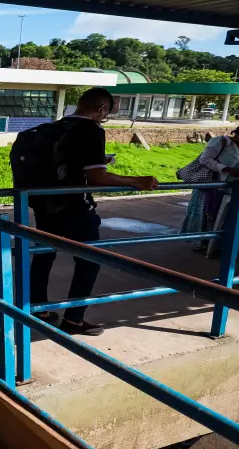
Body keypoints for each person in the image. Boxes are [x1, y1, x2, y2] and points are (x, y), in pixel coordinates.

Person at [28, 87, 159, 336]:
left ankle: (39, 310)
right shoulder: (91, 129)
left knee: (43, 256)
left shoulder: (54, 127)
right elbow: (97, 177)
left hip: (45, 205)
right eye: (106, 113)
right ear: (101, 108)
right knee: (89, 261)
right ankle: (74, 320)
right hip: (75, 207)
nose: (104, 117)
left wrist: (99, 160)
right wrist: (136, 181)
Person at [179, 122, 239, 252]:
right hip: (211, 185)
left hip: (231, 188)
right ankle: (201, 243)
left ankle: (217, 245)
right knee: (206, 215)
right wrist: (225, 168)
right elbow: (205, 159)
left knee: (224, 216)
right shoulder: (220, 142)